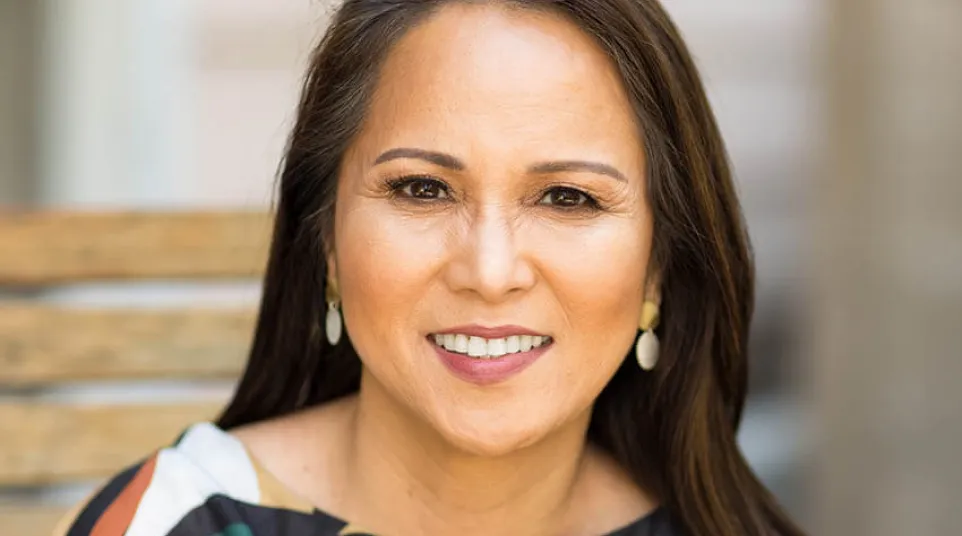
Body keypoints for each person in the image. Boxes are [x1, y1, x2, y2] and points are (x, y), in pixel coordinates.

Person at [55, 1, 804, 535]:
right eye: (422, 189)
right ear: (326, 243)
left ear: (657, 269)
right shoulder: (172, 522)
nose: (489, 268)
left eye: (567, 197)